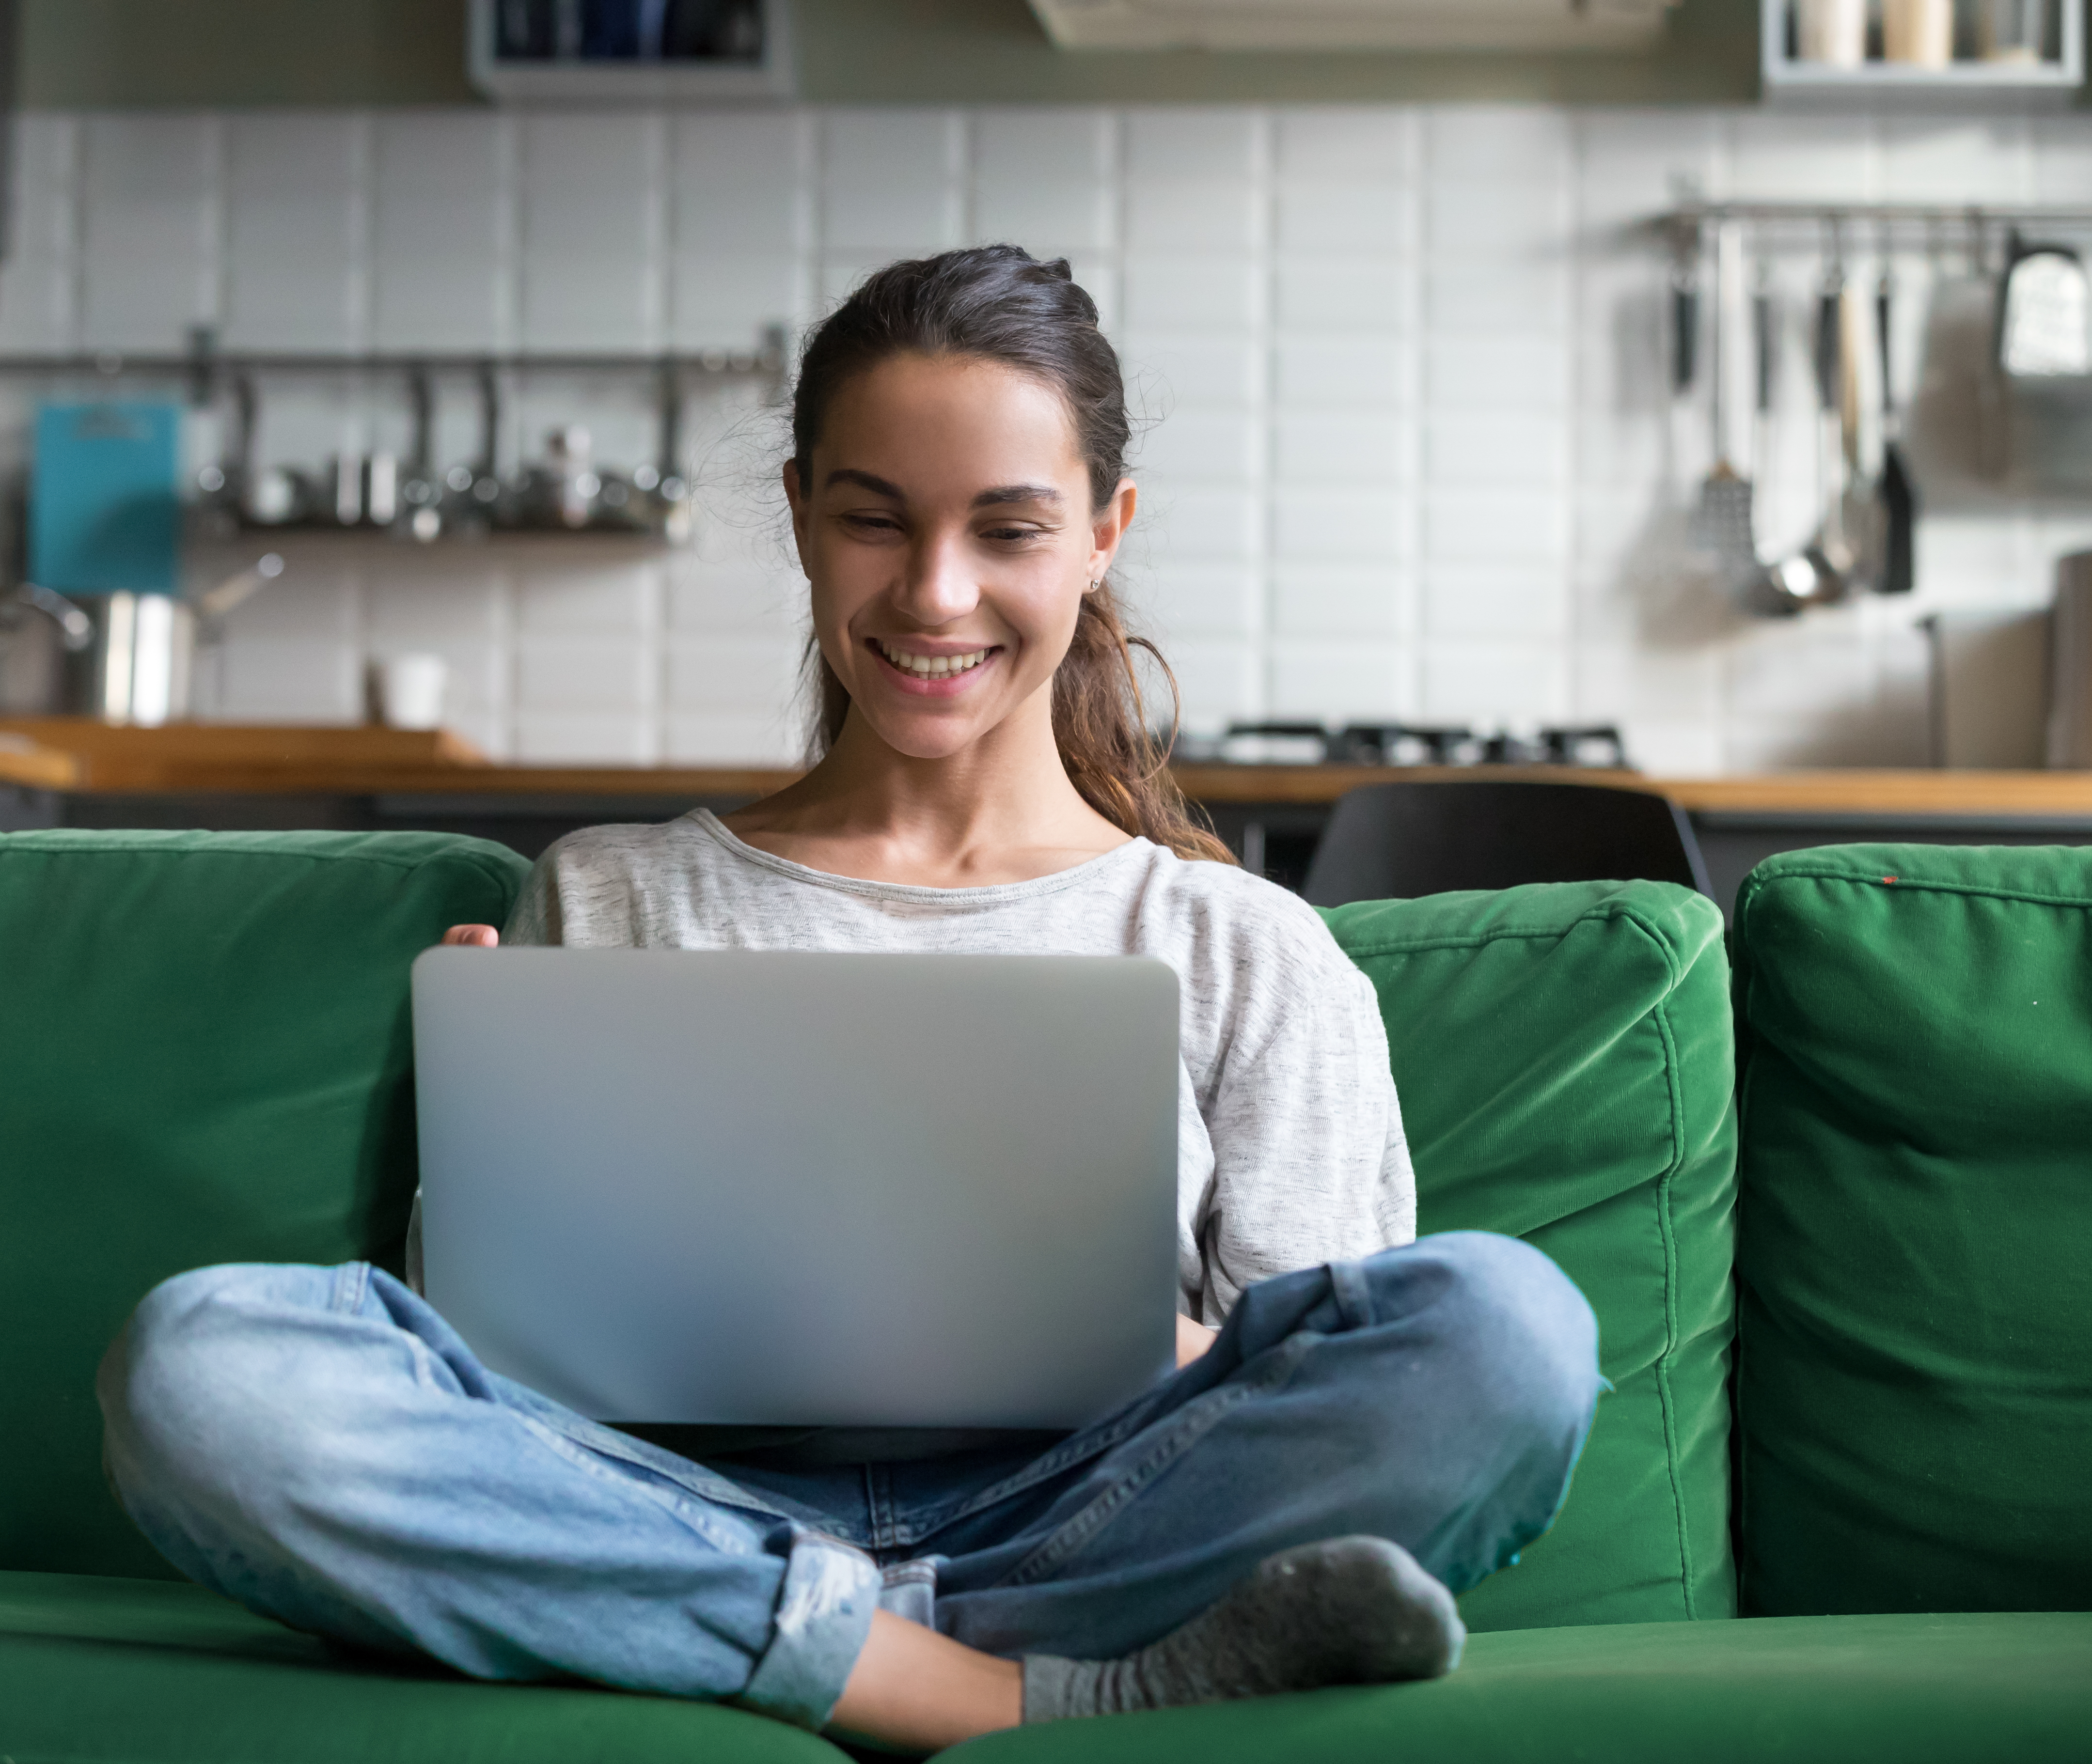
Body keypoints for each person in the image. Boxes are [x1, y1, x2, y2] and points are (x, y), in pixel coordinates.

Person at [97, 246, 1600, 1755]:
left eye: (1007, 528)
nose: (935, 593)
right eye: (874, 519)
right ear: (806, 518)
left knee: (1510, 1330)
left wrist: (1155, 1341)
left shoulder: (1241, 944)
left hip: (1087, 1521)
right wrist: (486, 1164)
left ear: (1102, 535)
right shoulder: (612, 893)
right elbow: (501, 1383)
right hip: (675, 1508)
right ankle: (975, 1686)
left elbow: (1319, 1378)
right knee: (202, 1367)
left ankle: (769, 1647)